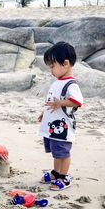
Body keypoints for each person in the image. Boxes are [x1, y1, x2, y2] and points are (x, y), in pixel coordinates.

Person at [38, 42, 83, 191]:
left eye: (52, 66)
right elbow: (52, 102)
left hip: (63, 128)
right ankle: (56, 172)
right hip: (52, 126)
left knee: (63, 153)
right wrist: (44, 114)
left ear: (65, 64)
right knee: (56, 152)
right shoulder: (58, 82)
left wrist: (61, 103)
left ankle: (64, 177)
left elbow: (77, 101)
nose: (51, 70)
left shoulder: (71, 84)